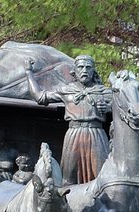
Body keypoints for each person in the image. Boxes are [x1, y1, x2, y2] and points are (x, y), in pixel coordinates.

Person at [25, 54, 112, 184]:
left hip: (96, 135)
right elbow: (40, 97)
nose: (84, 71)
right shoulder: (66, 90)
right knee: (68, 178)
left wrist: (108, 107)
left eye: (88, 67)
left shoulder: (104, 91)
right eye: (81, 67)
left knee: (101, 177)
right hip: (74, 135)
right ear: (75, 71)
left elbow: (124, 107)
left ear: (93, 71)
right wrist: (28, 73)